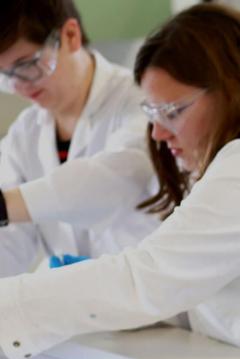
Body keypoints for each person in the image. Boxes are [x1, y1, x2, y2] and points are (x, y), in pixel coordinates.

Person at [0, 4, 240, 359]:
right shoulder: (235, 154)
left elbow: (149, 273)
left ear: (231, 89)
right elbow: (193, 289)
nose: (158, 134)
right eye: (154, 115)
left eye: (173, 111)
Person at [0, 0, 159, 276]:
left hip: (152, 306)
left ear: (70, 35)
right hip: (78, 306)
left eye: (26, 64)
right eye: (3, 75)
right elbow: (11, 244)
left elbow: (117, 177)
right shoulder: (25, 134)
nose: (18, 85)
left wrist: (5, 204)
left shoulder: (141, 100)